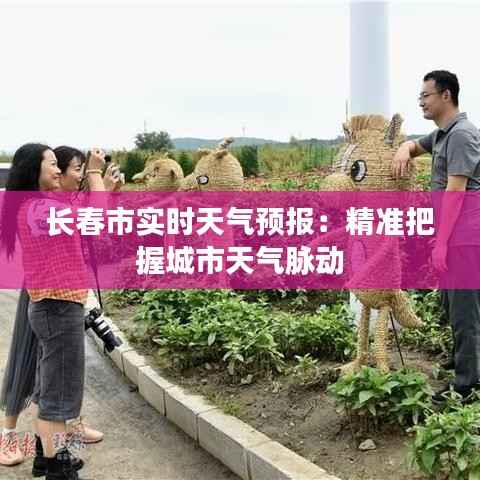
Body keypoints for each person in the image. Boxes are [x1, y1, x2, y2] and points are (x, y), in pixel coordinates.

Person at [0, 144, 109, 479]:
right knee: (57, 398)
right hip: (57, 309)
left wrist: (100, 184)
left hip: (56, 307)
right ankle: (58, 469)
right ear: (34, 169)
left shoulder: (40, 205)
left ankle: (47, 458)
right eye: (53, 164)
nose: (59, 170)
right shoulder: (37, 209)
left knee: (53, 391)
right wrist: (94, 172)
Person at [392, 70, 480, 403]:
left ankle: (467, 385)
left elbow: (455, 193)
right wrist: (404, 148)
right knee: (451, 302)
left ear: (446, 95)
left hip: (466, 236)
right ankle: (463, 361)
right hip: (455, 234)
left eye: (425, 96)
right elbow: (416, 145)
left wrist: (440, 244)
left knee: (465, 310)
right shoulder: (443, 134)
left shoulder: (461, 135)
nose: (421, 102)